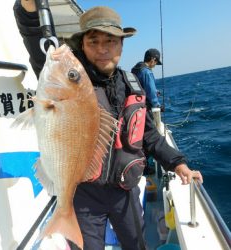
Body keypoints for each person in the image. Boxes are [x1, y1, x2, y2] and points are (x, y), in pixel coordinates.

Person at [13, 1, 203, 250]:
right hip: (83, 194)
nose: (102, 49)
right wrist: (28, 7)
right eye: (93, 42)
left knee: (138, 245)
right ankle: (64, 214)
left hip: (125, 192)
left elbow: (149, 135)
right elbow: (34, 37)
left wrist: (177, 162)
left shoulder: (132, 83)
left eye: (110, 41)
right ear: (82, 45)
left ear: (122, 45)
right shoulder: (68, 76)